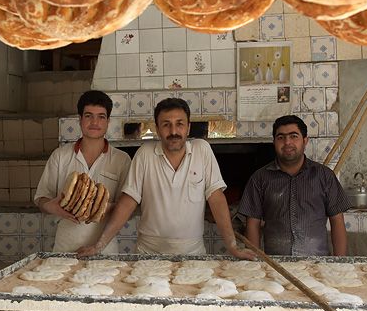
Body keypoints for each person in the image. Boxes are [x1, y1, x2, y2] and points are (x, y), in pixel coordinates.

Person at [78, 98, 256, 259]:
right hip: (148, 254)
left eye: (179, 124)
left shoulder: (202, 151)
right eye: (166, 125)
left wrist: (232, 246)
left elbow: (216, 198)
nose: (173, 131)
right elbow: (128, 202)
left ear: (188, 127)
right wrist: (100, 245)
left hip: (192, 255)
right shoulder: (145, 154)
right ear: (157, 129)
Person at [238, 115, 350, 256]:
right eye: (281, 137)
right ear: (274, 142)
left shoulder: (324, 176)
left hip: (317, 263)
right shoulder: (259, 179)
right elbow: (252, 224)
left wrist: (339, 263)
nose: (287, 142)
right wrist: (256, 261)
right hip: (275, 264)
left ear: (305, 141)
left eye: (294, 136)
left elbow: (337, 221)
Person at [34, 90, 131, 254]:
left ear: (108, 121)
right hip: (65, 247)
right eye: (88, 116)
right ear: (80, 120)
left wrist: (101, 207)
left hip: (105, 250)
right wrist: (52, 206)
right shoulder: (60, 156)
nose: (95, 122)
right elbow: (41, 199)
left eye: (101, 116)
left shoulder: (122, 160)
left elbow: (126, 205)